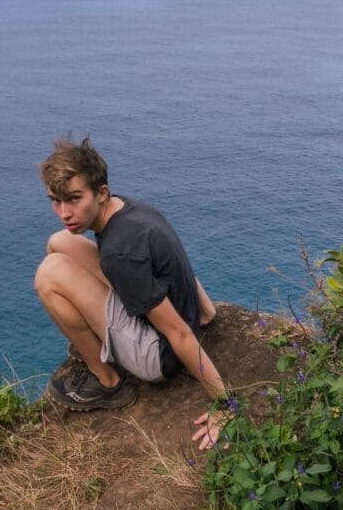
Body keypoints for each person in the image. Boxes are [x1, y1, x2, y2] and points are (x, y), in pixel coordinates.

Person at [33, 137, 232, 450]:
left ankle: (108, 382)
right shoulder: (129, 209)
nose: (64, 212)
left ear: (100, 192)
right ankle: (98, 343)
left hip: (157, 356)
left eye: (73, 199)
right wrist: (205, 313)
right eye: (55, 201)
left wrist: (225, 404)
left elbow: (177, 332)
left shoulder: (119, 254)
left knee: (49, 275)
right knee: (59, 242)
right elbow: (174, 261)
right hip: (178, 307)